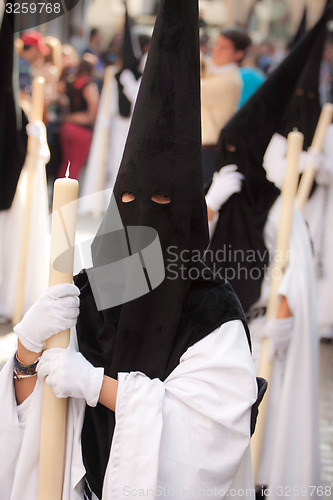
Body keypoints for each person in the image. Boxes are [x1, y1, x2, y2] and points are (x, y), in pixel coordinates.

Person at [0, 1, 259, 498]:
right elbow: (37, 428)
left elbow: (207, 439)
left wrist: (99, 387)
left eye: (161, 203)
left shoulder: (213, 311)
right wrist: (27, 352)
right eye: (127, 201)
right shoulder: (91, 290)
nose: (142, 217)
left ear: (184, 218)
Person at [204, 7, 330, 496]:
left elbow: (289, 265)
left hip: (260, 328)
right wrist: (209, 207)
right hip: (222, 331)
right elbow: (189, 250)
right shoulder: (228, 195)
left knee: (263, 431)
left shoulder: (276, 208)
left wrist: (283, 312)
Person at [201, 27, 251, 190]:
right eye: (217, 44)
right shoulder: (215, 69)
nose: (216, 50)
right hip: (198, 150)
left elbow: (189, 87)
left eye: (224, 47)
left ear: (239, 54)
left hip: (207, 153)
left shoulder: (230, 81)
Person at [57, 53, 100, 181]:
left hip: (66, 127)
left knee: (66, 163)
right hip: (81, 130)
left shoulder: (70, 82)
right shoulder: (89, 85)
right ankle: (67, 198)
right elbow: (94, 112)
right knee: (74, 166)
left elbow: (57, 95)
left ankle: (58, 195)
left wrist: (67, 116)